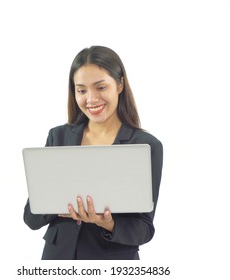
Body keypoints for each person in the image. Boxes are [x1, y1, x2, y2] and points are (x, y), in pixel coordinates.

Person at [23, 46, 163, 260]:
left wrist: (106, 222)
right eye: (81, 90)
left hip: (112, 263)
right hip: (58, 260)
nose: (91, 99)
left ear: (120, 85)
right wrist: (60, 204)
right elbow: (31, 218)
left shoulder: (145, 146)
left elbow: (144, 229)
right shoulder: (58, 137)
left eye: (100, 87)